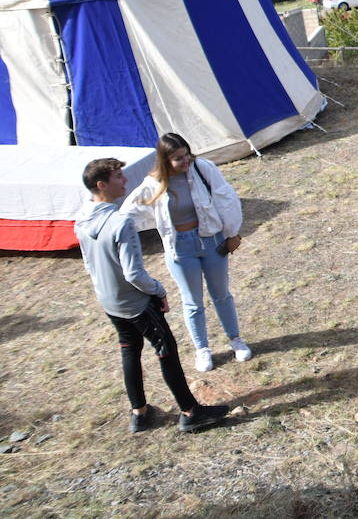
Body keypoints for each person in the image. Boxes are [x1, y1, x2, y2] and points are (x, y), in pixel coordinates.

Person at [76, 158, 230, 434]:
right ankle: (191, 411)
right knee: (166, 351)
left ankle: (139, 413)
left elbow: (89, 264)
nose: (125, 181)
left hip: (111, 302)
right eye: (118, 177)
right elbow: (134, 273)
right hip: (136, 303)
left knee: (130, 351)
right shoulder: (120, 222)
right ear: (102, 185)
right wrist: (158, 291)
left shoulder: (81, 219)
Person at [120, 133, 251, 374]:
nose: (185, 161)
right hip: (180, 249)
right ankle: (203, 349)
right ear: (164, 160)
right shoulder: (153, 184)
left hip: (211, 241)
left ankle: (236, 340)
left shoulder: (203, 168)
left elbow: (226, 198)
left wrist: (232, 232)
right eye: (178, 159)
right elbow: (128, 213)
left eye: (186, 154)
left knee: (221, 294)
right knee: (192, 301)